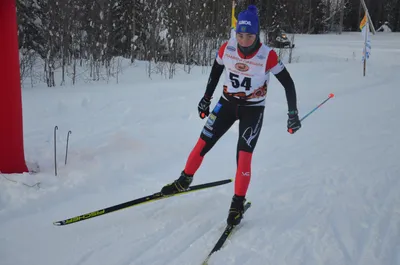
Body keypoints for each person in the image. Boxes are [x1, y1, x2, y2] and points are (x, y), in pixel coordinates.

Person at [160, 5, 301, 226]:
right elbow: (216, 71)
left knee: (243, 157)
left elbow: (289, 84)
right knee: (202, 143)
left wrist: (292, 113)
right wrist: (206, 98)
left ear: (257, 34)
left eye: (250, 35)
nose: (244, 40)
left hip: (252, 110)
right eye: (240, 35)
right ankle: (184, 180)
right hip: (226, 104)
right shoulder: (227, 48)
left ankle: (237, 203)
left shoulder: (268, 55)